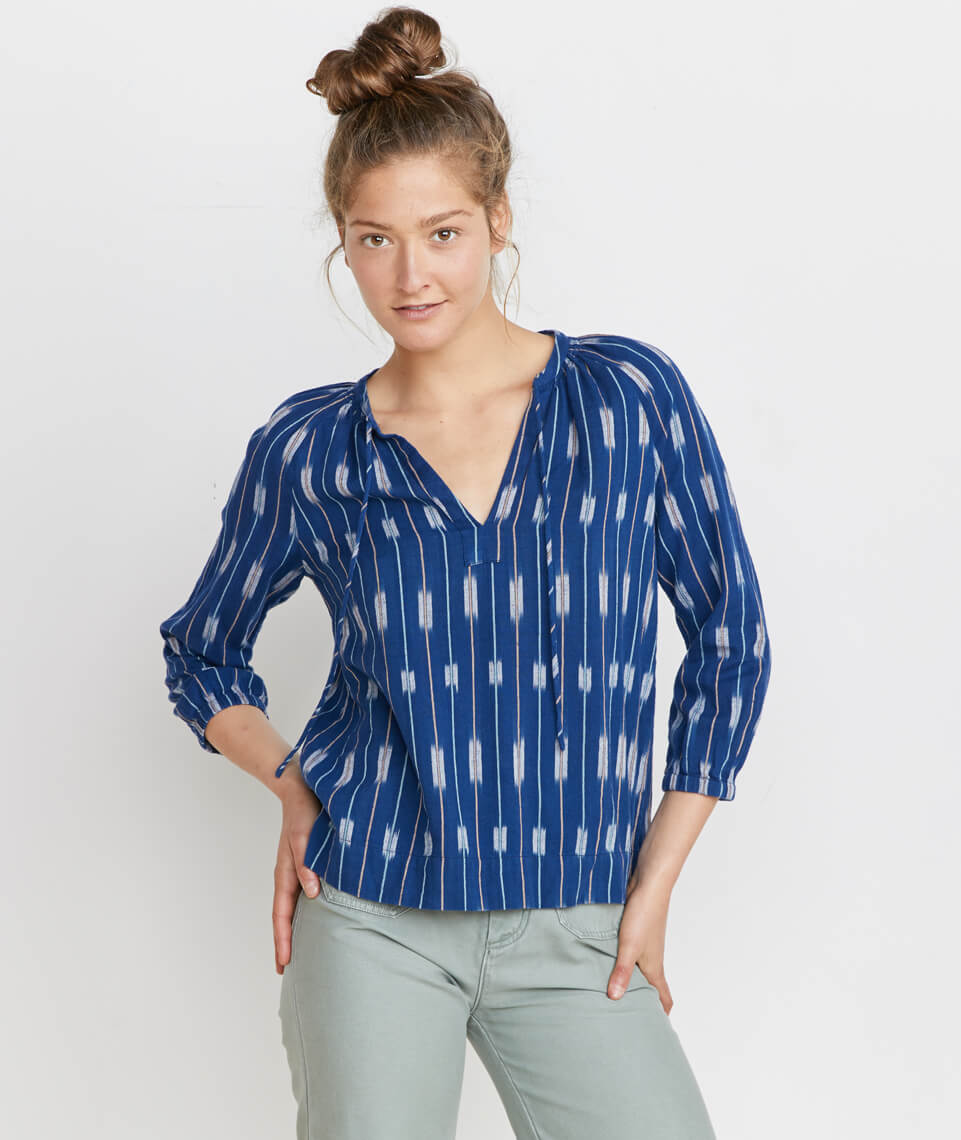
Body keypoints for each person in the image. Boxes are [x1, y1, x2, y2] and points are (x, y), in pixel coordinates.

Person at [158, 7, 773, 1138]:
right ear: (343, 242)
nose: (410, 274)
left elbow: (729, 638)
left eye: (441, 232)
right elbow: (200, 651)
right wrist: (293, 787)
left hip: (579, 918)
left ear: (496, 219)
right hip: (371, 916)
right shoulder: (312, 449)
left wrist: (655, 881)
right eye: (373, 239)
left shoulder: (625, 403)